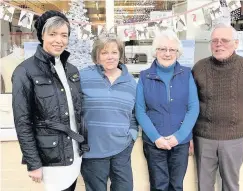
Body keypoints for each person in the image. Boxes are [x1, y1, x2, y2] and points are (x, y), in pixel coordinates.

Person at [11, 10, 89, 191]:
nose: (58, 40)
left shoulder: (71, 70)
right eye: (52, 34)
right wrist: (33, 162)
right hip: (50, 157)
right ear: (42, 35)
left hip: (74, 153)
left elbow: (77, 112)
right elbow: (23, 121)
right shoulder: (25, 71)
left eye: (64, 35)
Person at [192, 24, 243, 191]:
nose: (219, 44)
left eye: (224, 40)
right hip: (203, 138)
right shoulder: (199, 68)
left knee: (231, 185)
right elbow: (191, 104)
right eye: (215, 40)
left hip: (234, 139)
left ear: (236, 43)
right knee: (204, 186)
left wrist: (242, 128)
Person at [135, 30, 200, 191]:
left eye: (172, 50)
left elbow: (193, 108)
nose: (167, 53)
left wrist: (178, 137)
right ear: (155, 51)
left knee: (176, 186)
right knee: (158, 186)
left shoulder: (186, 74)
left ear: (178, 53)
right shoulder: (144, 77)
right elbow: (140, 110)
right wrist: (156, 138)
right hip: (154, 142)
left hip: (180, 142)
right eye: (163, 49)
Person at [80, 34, 138, 191]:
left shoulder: (131, 82)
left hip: (122, 149)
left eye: (114, 52)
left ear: (120, 54)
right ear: (97, 55)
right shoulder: (83, 77)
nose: (110, 57)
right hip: (92, 150)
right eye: (104, 52)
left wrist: (132, 135)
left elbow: (134, 114)